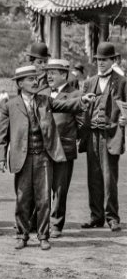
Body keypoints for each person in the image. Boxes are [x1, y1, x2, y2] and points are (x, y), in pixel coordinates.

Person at [0, 65, 93, 250]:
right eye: (30, 79)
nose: (35, 82)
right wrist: (0, 159)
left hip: (43, 157)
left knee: (43, 199)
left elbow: (65, 105)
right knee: (22, 199)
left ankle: (43, 236)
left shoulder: (45, 101)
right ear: (20, 83)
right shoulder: (10, 106)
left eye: (35, 79)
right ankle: (21, 235)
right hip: (22, 159)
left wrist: (82, 101)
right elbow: (2, 136)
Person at [79, 42, 127, 232]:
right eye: (98, 60)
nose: (101, 63)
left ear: (113, 60)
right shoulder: (89, 82)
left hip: (111, 135)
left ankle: (112, 217)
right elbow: (82, 110)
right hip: (92, 135)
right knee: (94, 178)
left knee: (109, 179)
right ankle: (96, 216)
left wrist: (124, 120)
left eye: (105, 60)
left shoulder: (122, 82)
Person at [45, 59, 82, 238]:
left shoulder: (76, 95)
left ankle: (56, 225)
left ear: (64, 75)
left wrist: (71, 138)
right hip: (43, 149)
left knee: (60, 189)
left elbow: (82, 124)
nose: (49, 76)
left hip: (64, 148)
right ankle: (39, 222)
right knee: (41, 186)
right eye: (48, 72)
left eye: (53, 72)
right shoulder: (42, 93)